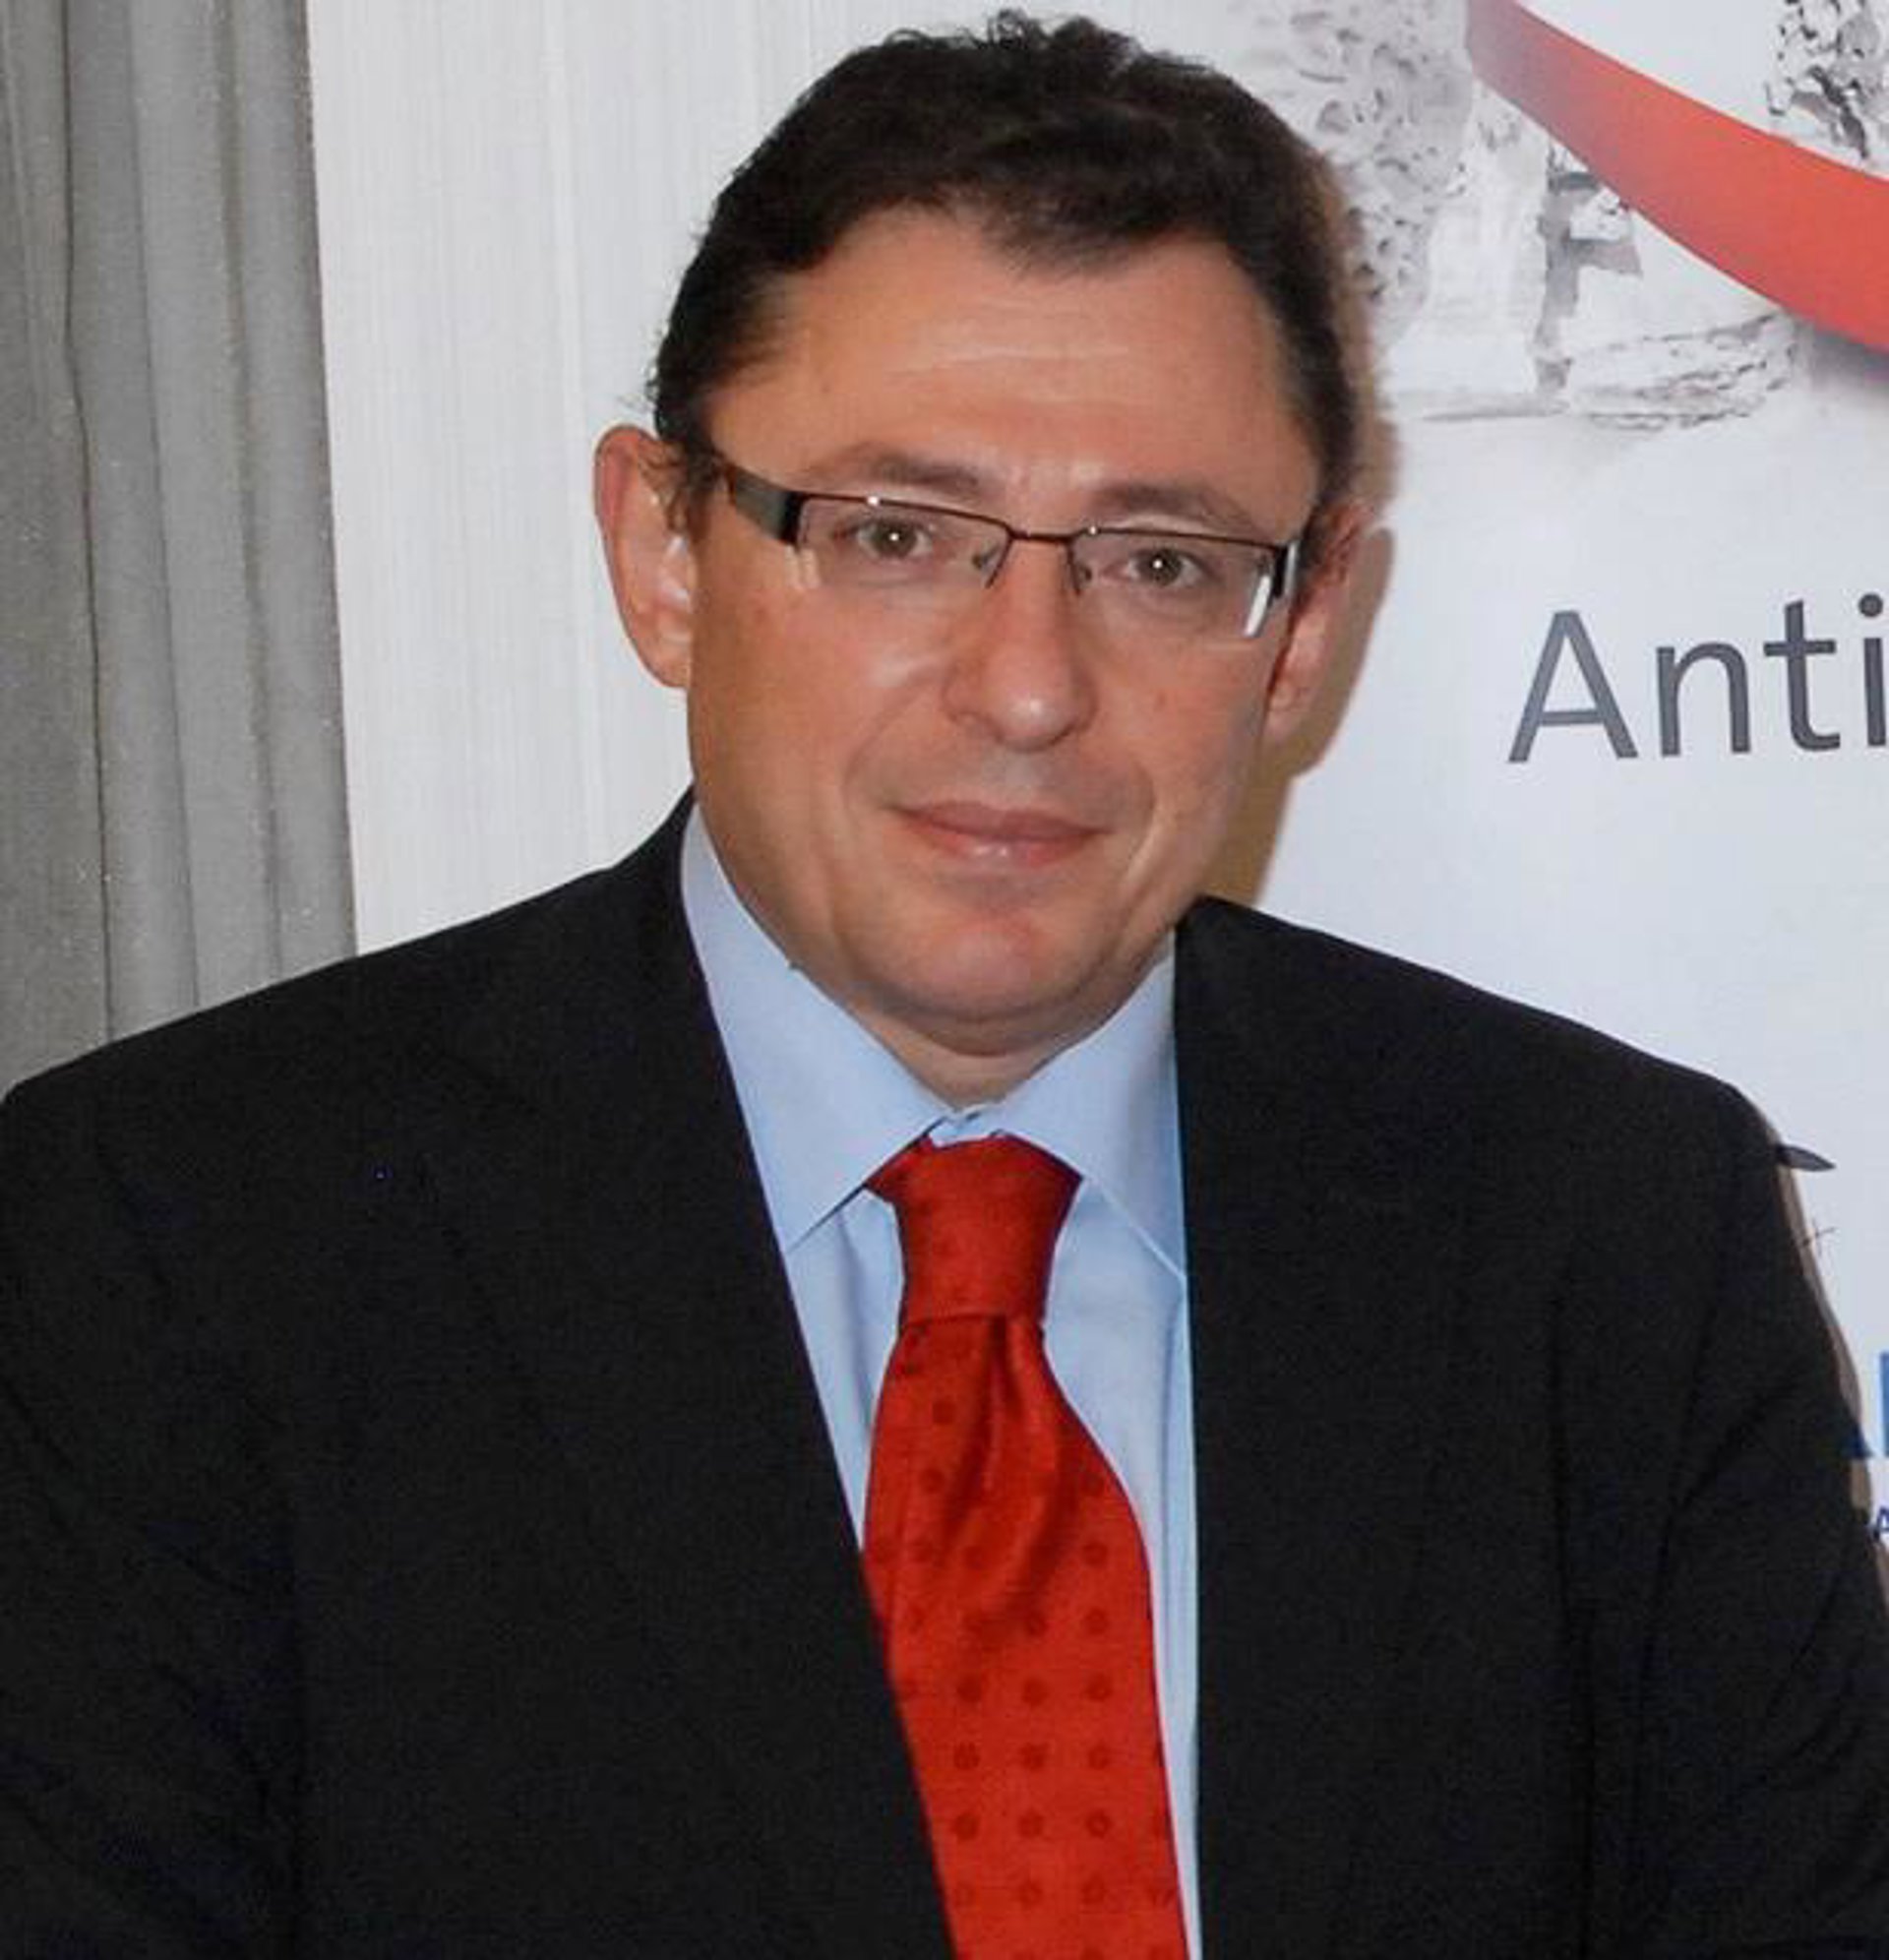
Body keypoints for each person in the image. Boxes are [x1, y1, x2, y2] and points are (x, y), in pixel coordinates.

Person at [3, 13, 1886, 1957]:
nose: (1030, 687)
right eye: (898, 536)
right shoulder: (177, 1250)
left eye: (1161, 562)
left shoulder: (1608, 1235)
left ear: (1305, 628)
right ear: (662, 551)